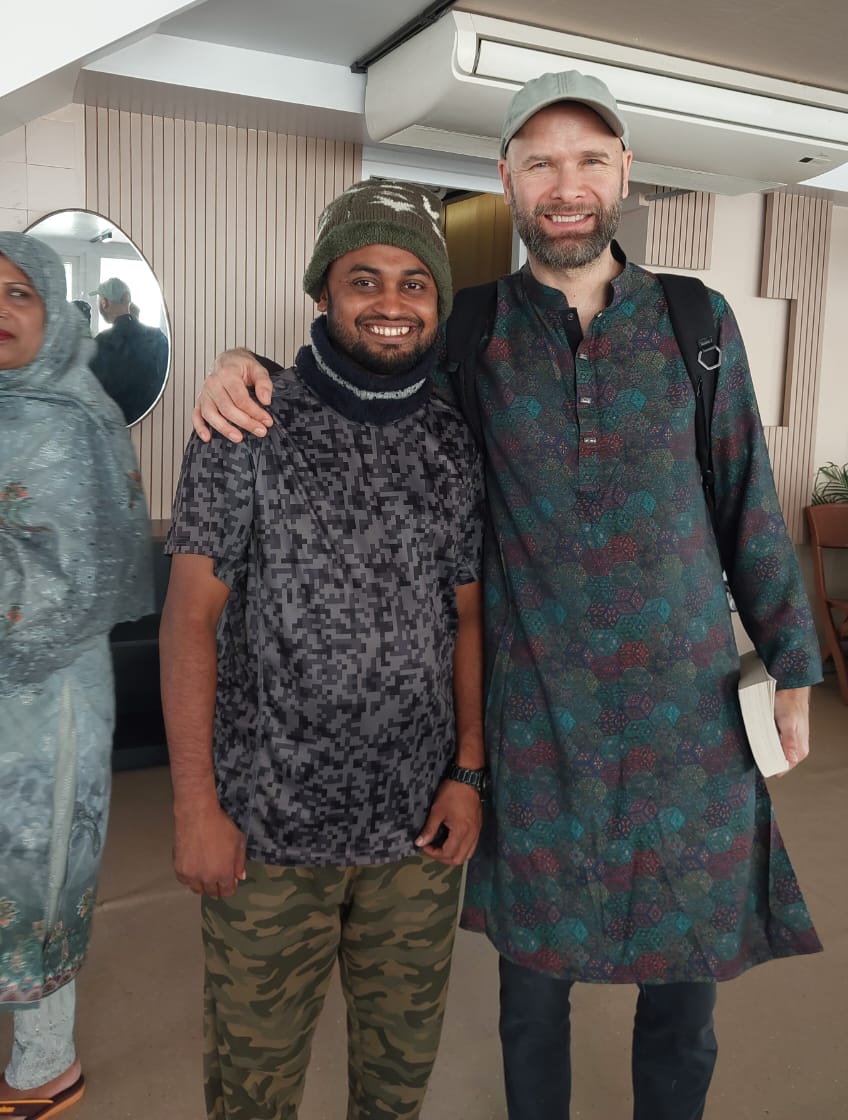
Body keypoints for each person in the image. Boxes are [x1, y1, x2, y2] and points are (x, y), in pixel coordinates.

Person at [192, 72, 824, 1120]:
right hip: (538, 727)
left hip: (689, 719)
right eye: (539, 162)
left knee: (685, 994)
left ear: (623, 172)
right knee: (532, 993)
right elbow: (363, 371)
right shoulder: (471, 327)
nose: (564, 184)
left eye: (587, 159)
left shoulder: (693, 319)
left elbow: (747, 496)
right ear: (507, 181)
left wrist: (792, 667)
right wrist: (242, 365)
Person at [159, 179, 485, 1120]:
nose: (391, 304)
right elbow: (189, 620)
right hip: (269, 835)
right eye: (364, 279)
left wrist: (469, 770)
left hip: (413, 842)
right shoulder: (250, 423)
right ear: (323, 295)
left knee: (396, 1090)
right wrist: (195, 808)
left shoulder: (452, 448)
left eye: (415, 283)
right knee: (253, 1093)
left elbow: (468, 618)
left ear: (438, 303)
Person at [0, 234, 153, 1118]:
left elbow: (77, 580)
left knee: (35, 862)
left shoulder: (71, 416)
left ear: (55, 310)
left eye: (19, 293)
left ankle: (45, 1066)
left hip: (45, 692)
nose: (1, 312)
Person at [88, 277, 168, 422]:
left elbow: (92, 393)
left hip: (113, 424)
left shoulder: (101, 343)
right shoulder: (156, 337)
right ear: (127, 299)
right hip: (155, 420)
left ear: (104, 303)